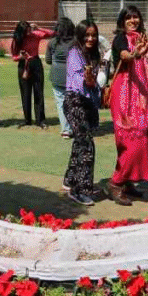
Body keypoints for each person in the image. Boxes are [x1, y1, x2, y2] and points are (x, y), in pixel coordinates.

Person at [106, 6, 148, 206]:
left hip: (140, 95)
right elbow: (125, 55)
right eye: (129, 17)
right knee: (129, 140)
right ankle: (115, 182)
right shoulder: (120, 38)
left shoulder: (143, 38)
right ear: (122, 21)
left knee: (141, 138)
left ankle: (127, 183)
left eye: (136, 17)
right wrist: (136, 53)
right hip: (124, 93)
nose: (133, 20)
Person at [62, 20, 103, 206]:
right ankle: (80, 190)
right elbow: (79, 82)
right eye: (86, 35)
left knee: (80, 142)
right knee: (87, 145)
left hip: (87, 103)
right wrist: (90, 81)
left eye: (93, 35)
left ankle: (70, 180)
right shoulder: (74, 53)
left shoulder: (93, 55)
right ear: (79, 35)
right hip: (75, 102)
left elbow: (94, 83)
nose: (90, 38)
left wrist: (95, 85)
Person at [12, 21, 56, 127]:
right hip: (23, 65)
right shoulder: (17, 39)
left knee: (38, 92)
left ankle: (40, 120)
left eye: (29, 30)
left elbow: (52, 34)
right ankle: (27, 119)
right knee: (25, 93)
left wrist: (39, 28)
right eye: (25, 31)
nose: (28, 33)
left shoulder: (35, 34)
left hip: (35, 63)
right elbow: (14, 56)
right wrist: (20, 57)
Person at [45, 18, 76, 139]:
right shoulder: (75, 42)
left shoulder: (52, 42)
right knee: (73, 103)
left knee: (61, 103)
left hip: (57, 76)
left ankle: (66, 130)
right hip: (73, 75)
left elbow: (48, 60)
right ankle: (75, 127)